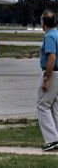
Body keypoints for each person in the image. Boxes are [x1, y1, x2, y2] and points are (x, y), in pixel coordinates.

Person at [36, 9, 58, 152]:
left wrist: (46, 78)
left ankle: (52, 139)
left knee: (42, 105)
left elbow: (51, 57)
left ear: (43, 23)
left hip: (53, 73)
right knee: (55, 107)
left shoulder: (49, 36)